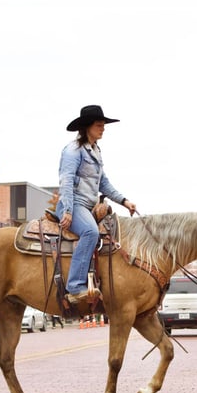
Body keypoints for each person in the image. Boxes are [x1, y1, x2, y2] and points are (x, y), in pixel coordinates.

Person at [57, 105, 137, 305]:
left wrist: (124, 201)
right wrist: (67, 211)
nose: (103, 128)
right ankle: (75, 286)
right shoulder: (73, 150)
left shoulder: (95, 150)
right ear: (87, 127)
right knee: (91, 232)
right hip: (74, 204)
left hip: (88, 207)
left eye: (103, 125)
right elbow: (65, 180)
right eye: (99, 125)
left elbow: (103, 183)